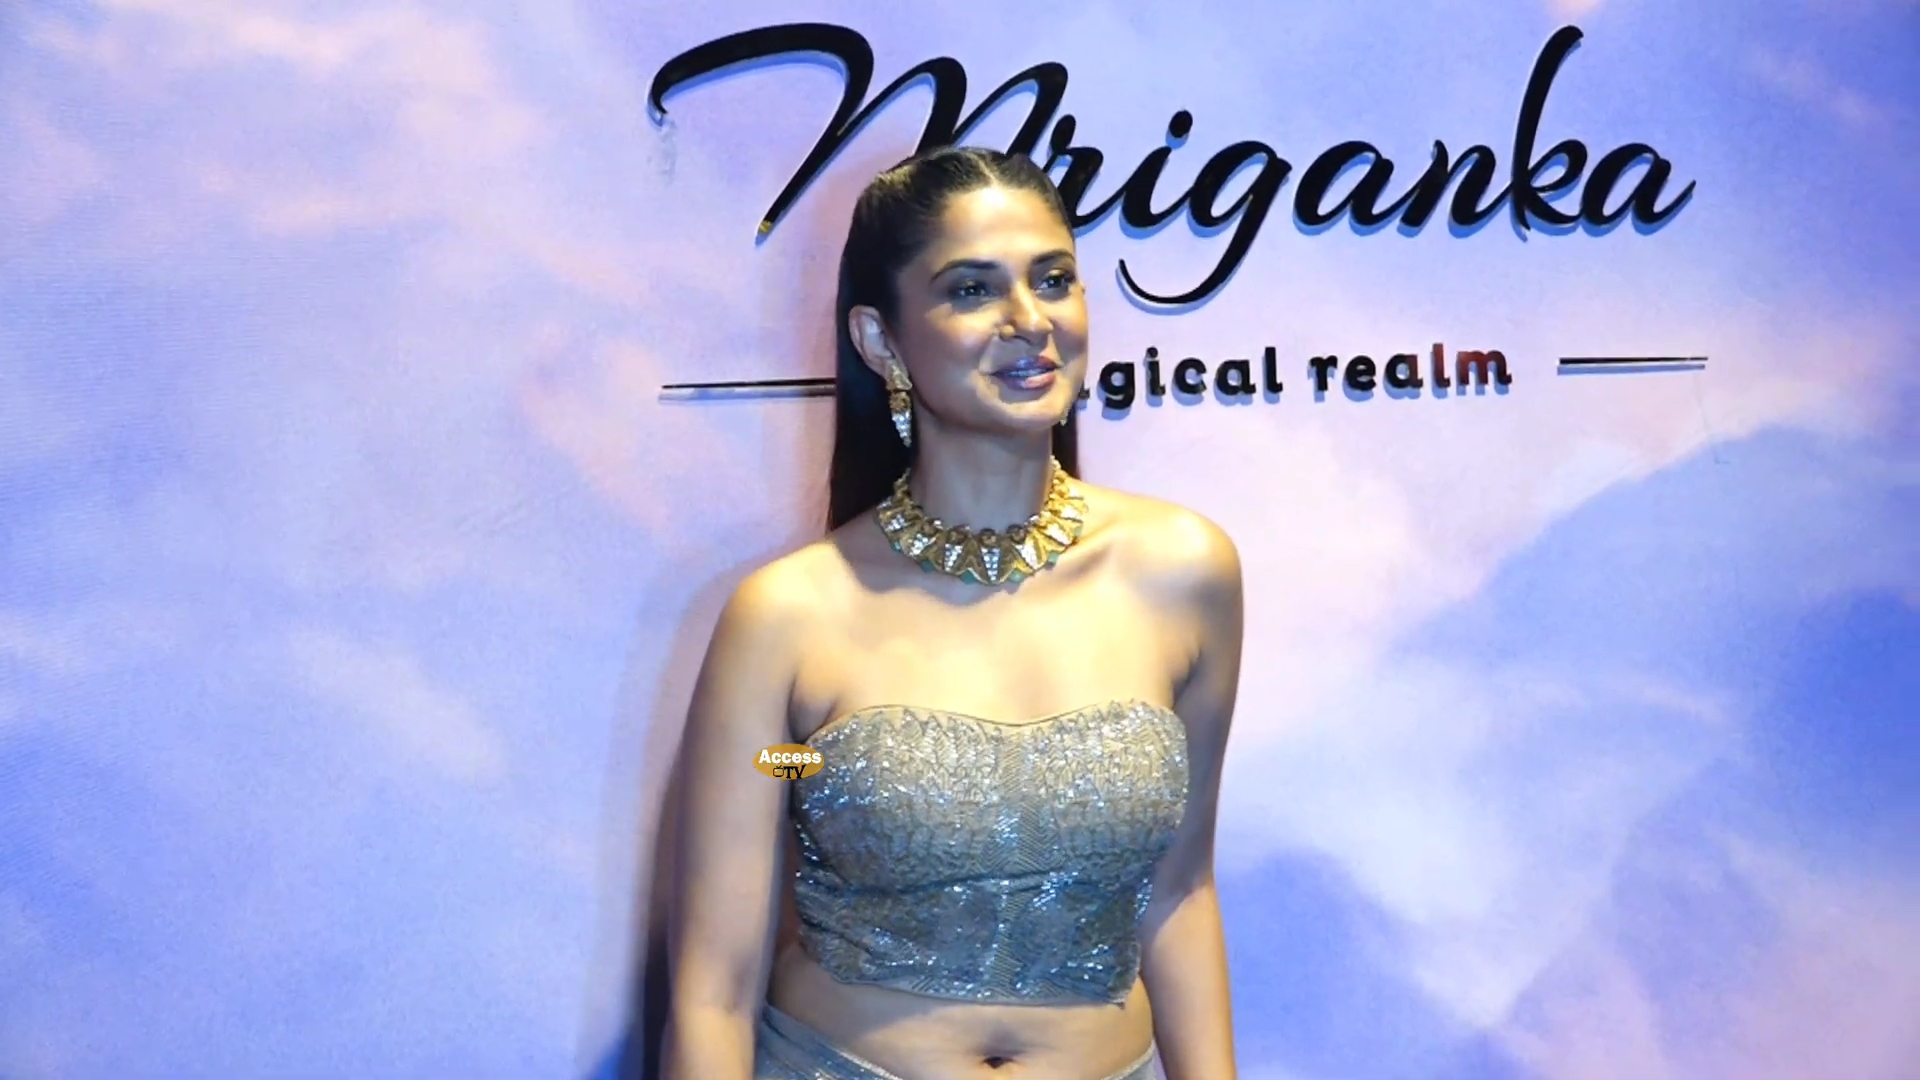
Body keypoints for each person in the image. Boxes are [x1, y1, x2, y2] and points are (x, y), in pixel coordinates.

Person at [661, 145, 1242, 1080]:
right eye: (972, 290)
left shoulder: (1184, 572)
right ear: (879, 340)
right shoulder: (788, 614)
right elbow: (712, 993)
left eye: (1052, 279)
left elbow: (1180, 892)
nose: (1030, 321)